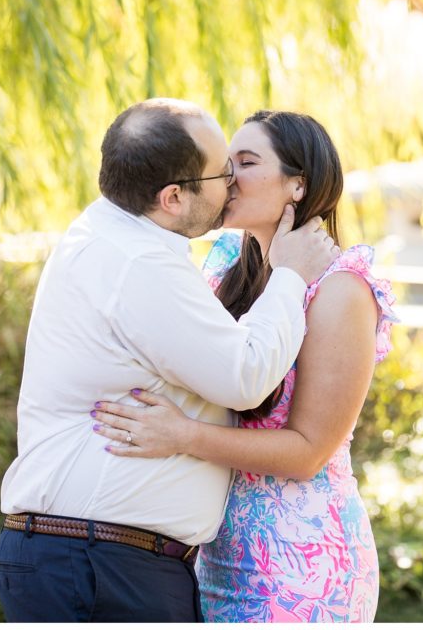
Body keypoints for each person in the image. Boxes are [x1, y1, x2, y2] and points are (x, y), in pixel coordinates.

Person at [0, 99, 339, 623]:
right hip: (99, 567)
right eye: (223, 170)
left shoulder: (114, 239)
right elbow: (244, 376)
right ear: (173, 197)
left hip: (95, 559)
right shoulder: (138, 263)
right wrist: (290, 276)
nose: (232, 183)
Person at [90, 110, 399, 622]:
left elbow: (306, 453)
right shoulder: (221, 267)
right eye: (225, 162)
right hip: (215, 558)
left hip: (303, 566)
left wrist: (182, 435)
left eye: (247, 162)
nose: (228, 176)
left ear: (297, 184)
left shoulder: (340, 289)